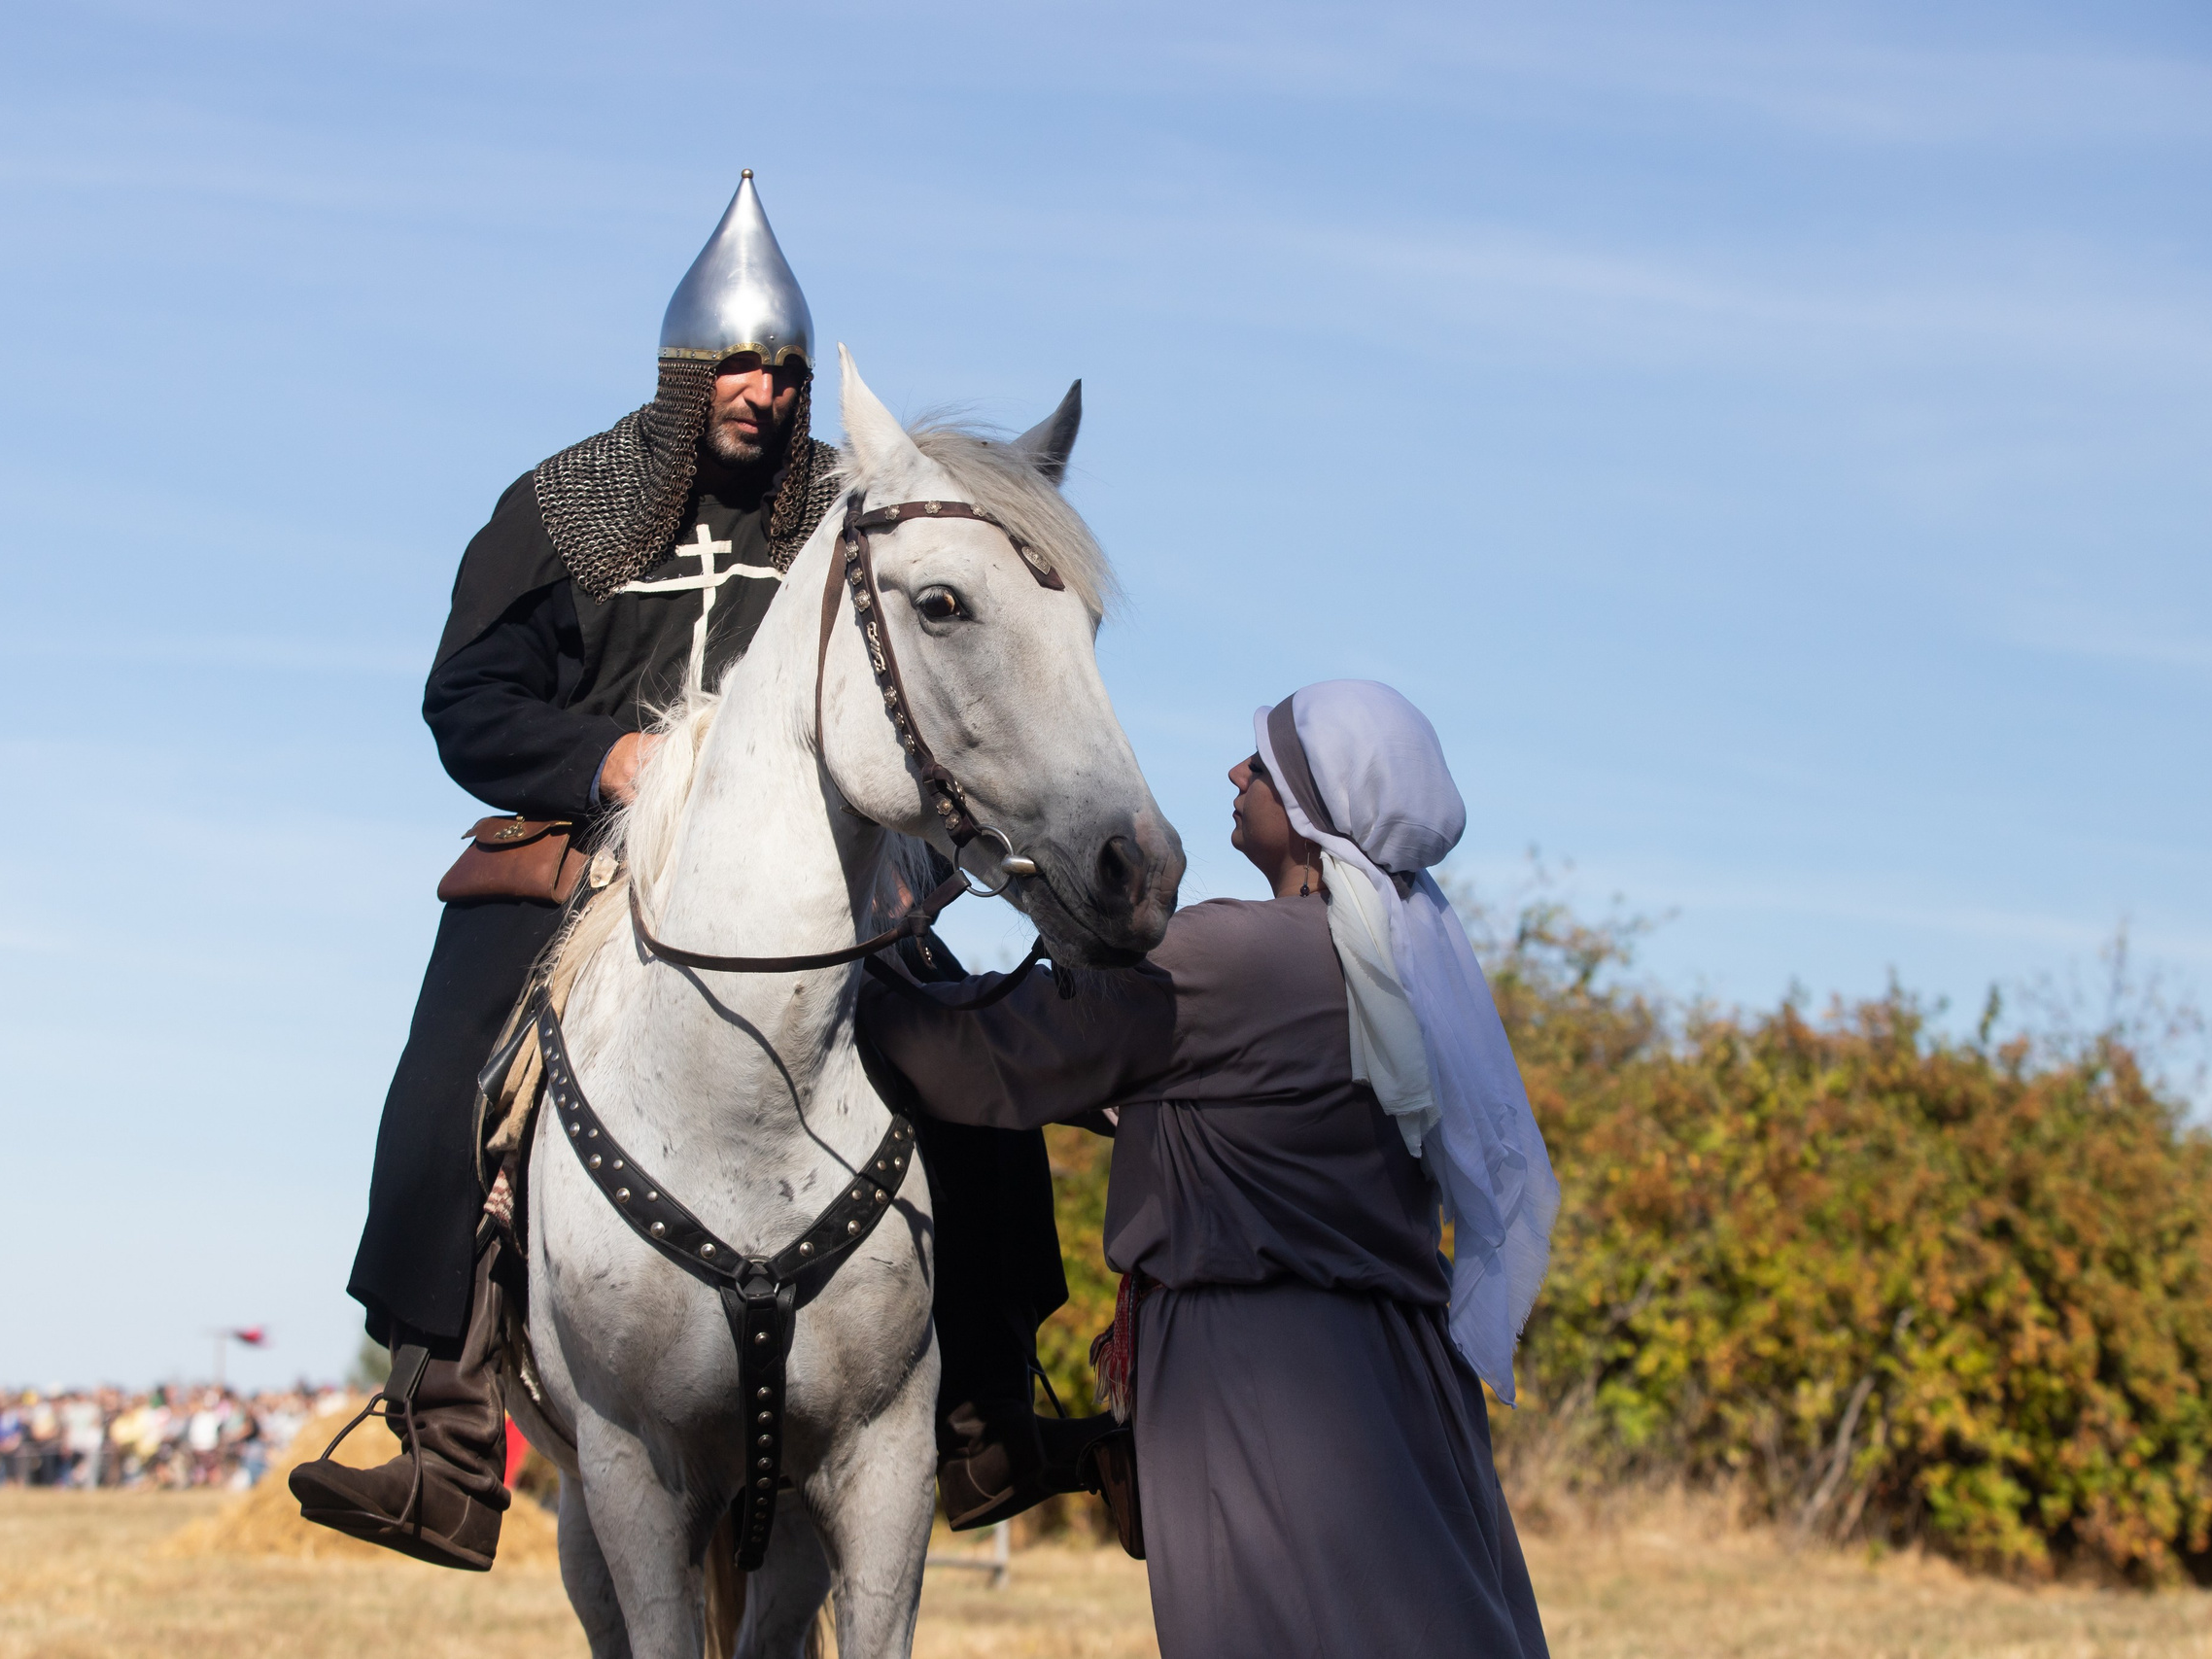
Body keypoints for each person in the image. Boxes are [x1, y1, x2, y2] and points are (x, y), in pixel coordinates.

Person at [294, 170, 1088, 1570]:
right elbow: (466, 700)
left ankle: (985, 1402)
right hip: (600, 865)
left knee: (964, 1058)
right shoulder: (567, 504)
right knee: (454, 1066)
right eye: (736, 365)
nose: (762, 394)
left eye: (783, 372)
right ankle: (447, 1430)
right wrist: (602, 759)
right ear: (682, 369)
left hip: (825, 881)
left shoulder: (849, 509)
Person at [860, 680, 1560, 1659]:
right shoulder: (1403, 966)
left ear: (1312, 809)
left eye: (1263, 766)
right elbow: (1218, 1098)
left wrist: (866, 960)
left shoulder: (1230, 955)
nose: (1237, 773)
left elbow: (986, 1054)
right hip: (1402, 1371)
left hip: (1260, 1376)